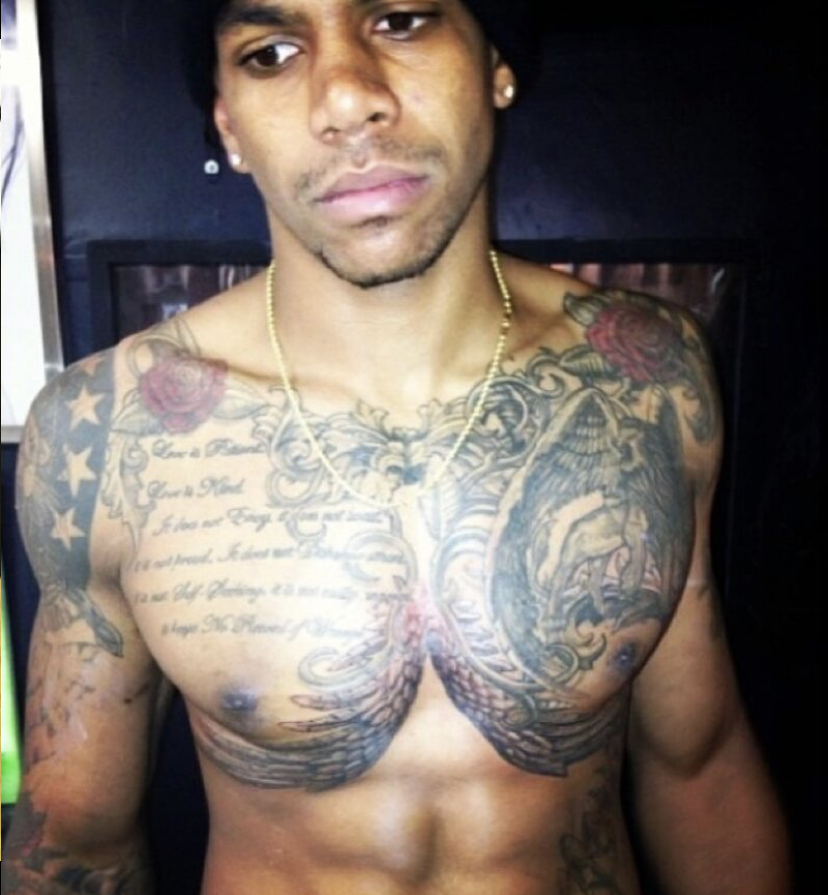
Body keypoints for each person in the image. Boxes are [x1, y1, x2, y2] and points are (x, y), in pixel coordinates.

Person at [2, 1, 790, 893]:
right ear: (229, 123)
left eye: (402, 19)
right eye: (271, 52)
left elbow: (700, 764)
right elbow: (76, 842)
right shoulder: (107, 429)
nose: (346, 96)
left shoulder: (645, 377)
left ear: (496, 65)